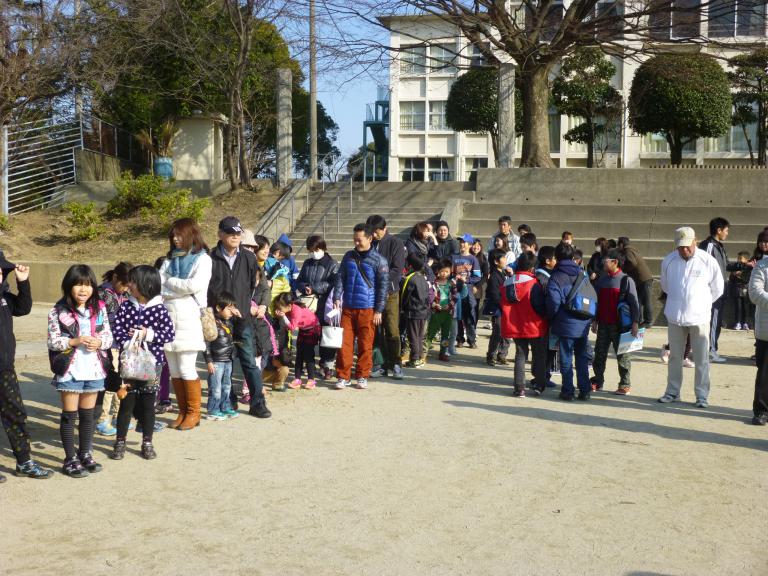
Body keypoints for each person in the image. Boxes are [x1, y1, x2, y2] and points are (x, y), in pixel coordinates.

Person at [48, 264, 113, 478]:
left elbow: (108, 336)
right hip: (70, 369)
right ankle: (70, 459)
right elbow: (53, 341)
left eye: (88, 285)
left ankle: (85, 453)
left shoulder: (99, 308)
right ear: (68, 286)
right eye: (78, 284)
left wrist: (99, 342)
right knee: (70, 415)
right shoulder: (57, 310)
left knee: (88, 415)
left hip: (94, 369)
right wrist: (73, 341)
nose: (83, 289)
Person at [208, 216, 271, 418]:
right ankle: (227, 400)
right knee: (222, 363)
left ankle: (257, 403)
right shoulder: (209, 258)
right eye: (230, 233)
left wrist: (254, 305)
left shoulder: (249, 257)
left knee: (249, 362)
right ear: (220, 234)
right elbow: (206, 288)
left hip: (243, 319)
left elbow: (257, 285)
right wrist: (217, 310)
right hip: (219, 320)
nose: (235, 236)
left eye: (238, 233)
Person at [110, 265, 175, 460]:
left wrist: (147, 334)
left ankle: (147, 442)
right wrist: (128, 343)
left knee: (148, 404)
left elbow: (169, 334)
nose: (129, 285)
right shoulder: (126, 306)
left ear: (146, 284)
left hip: (152, 364)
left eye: (133, 281)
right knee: (126, 403)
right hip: (129, 362)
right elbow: (117, 329)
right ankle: (120, 441)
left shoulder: (160, 309)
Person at [0, 252, 52, 482]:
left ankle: (24, 461)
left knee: (16, 413)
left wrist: (23, 282)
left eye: (1, 271)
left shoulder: (4, 297)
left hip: (5, 369)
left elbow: (23, 308)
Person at [658, 227, 724, 408]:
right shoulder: (669, 261)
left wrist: (702, 304)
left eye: (687, 245)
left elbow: (718, 288)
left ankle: (702, 395)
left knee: (701, 358)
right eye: (680, 246)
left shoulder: (707, 261)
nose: (684, 249)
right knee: (674, 357)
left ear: (695, 241)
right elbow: (665, 286)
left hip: (700, 318)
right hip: (675, 316)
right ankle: (672, 392)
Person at [160, 218, 214, 430]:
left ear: (191, 234)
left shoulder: (203, 259)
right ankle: (182, 412)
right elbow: (158, 283)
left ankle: (194, 413)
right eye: (173, 235)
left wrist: (170, 282)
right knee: (174, 369)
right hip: (168, 318)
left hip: (189, 318)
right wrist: (175, 287)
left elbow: (194, 285)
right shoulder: (169, 259)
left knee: (186, 367)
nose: (175, 239)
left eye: (179, 235)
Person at [333, 223, 389, 390]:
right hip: (348, 307)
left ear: (370, 238)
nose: (356, 243)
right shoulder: (348, 256)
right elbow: (340, 277)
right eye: (354, 239)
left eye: (359, 240)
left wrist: (379, 310)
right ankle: (343, 376)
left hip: (368, 308)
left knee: (365, 344)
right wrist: (337, 296)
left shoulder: (379, 260)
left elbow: (383, 287)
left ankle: (362, 375)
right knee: (344, 344)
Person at [546, 243, 593, 401]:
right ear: (573, 257)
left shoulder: (556, 276)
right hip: (583, 321)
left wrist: (552, 317)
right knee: (581, 357)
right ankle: (585, 390)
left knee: (566, 358)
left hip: (565, 322)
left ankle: (568, 391)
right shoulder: (582, 273)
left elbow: (553, 301)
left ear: (556, 257)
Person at [590, 249, 640, 395]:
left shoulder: (626, 280)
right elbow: (597, 302)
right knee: (599, 354)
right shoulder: (602, 280)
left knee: (623, 356)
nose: (602, 263)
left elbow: (634, 304)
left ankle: (625, 384)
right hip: (603, 324)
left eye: (605, 260)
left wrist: (635, 323)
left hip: (620, 326)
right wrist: (595, 320)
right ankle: (598, 381)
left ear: (615, 262)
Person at [501, 252, 548, 397]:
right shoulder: (534, 283)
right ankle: (539, 384)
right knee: (539, 354)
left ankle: (519, 388)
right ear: (532, 268)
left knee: (520, 354)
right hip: (533, 324)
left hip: (515, 324)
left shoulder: (507, 282)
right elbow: (539, 306)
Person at [368, 215, 407, 379]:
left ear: (384, 228)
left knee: (392, 329)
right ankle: (380, 364)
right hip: (372, 293)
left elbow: (397, 269)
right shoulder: (370, 243)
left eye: (376, 231)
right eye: (371, 232)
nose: (374, 235)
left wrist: (380, 280)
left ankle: (396, 363)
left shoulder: (395, 242)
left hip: (390, 292)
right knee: (376, 330)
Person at [96, 262, 132, 437]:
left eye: (128, 286)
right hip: (108, 345)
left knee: (122, 382)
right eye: (124, 284)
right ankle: (103, 419)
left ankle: (118, 416)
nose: (125, 289)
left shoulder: (124, 295)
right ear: (115, 277)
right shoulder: (102, 293)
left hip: (122, 344)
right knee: (110, 384)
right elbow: (98, 322)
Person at [296, 235, 339, 380]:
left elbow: (333, 283)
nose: (314, 253)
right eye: (311, 250)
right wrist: (305, 287)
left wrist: (314, 288)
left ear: (322, 248)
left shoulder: (332, 263)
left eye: (316, 250)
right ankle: (308, 363)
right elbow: (299, 280)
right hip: (309, 306)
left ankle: (327, 365)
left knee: (326, 336)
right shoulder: (307, 263)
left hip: (325, 304)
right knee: (308, 335)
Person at [700, 217, 738, 363]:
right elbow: (703, 266)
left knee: (715, 322)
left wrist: (743, 265)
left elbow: (726, 265)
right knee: (713, 322)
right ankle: (710, 351)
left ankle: (710, 349)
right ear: (719, 230)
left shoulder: (719, 246)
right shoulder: (709, 246)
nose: (727, 233)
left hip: (720, 291)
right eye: (726, 230)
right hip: (712, 292)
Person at [273, 292, 321, 390]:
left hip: (313, 329)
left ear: (289, 306)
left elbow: (292, 327)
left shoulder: (296, 310)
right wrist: (281, 316)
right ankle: (297, 379)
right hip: (303, 330)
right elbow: (287, 324)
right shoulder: (288, 309)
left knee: (308, 355)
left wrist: (283, 316)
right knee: (299, 355)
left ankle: (311, 380)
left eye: (280, 307)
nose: (279, 309)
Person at [203, 291, 239, 421]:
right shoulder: (211, 323)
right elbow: (206, 343)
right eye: (229, 308)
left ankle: (225, 406)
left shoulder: (229, 322)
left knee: (227, 385)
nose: (232, 312)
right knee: (215, 387)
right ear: (219, 307)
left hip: (228, 359)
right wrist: (209, 361)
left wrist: (239, 318)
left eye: (233, 308)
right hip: (216, 361)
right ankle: (213, 410)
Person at [401, 252, 432, 368]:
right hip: (423, 312)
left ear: (410, 265)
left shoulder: (410, 278)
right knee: (419, 336)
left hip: (412, 312)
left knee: (413, 336)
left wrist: (402, 308)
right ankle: (419, 357)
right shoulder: (423, 278)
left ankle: (414, 359)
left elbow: (404, 296)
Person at [748, 253, 768, 425]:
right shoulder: (762, 266)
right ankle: (762, 410)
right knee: (765, 374)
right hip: (766, 331)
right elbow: (754, 293)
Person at [452, 233, 481, 348]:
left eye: (464, 242)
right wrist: (453, 279)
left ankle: (471, 339)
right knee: (457, 315)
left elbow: (477, 276)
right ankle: (459, 339)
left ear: (470, 245)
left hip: (467, 291)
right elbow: (449, 273)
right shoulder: (454, 257)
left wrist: (467, 280)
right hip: (456, 290)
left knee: (469, 315)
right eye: (461, 242)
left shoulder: (473, 259)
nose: (462, 244)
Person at [618, 237, 654, 328]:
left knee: (647, 300)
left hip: (644, 279)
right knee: (638, 301)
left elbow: (632, 263)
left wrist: (625, 269)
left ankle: (648, 321)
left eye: (618, 245)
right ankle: (639, 320)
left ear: (621, 244)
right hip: (640, 279)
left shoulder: (628, 251)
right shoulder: (632, 250)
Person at [427, 258, 458, 362]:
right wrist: (434, 304)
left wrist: (449, 305)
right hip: (436, 312)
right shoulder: (433, 283)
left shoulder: (452, 283)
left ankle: (443, 352)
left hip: (448, 313)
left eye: (447, 271)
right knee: (430, 333)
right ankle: (424, 351)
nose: (444, 274)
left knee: (445, 335)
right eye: (442, 271)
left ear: (450, 272)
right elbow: (430, 297)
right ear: (437, 271)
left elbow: (455, 297)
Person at [484, 249, 510, 366]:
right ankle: (491, 355)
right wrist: (504, 306)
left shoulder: (503, 273)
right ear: (496, 261)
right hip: (498, 308)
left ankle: (502, 355)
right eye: (503, 258)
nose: (505, 260)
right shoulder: (494, 275)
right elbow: (495, 295)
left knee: (507, 332)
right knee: (497, 332)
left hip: (505, 307)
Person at [729, 251, 753, 330]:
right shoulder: (735, 267)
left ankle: (745, 323)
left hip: (746, 289)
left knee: (746, 307)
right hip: (737, 290)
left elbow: (749, 278)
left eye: (740, 258)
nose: (738, 260)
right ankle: (738, 322)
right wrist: (733, 274)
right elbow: (731, 279)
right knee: (738, 307)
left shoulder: (749, 268)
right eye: (738, 258)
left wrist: (742, 275)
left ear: (747, 259)